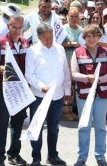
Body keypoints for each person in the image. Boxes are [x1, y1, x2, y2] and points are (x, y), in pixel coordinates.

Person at [25, 23, 72, 166]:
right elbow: (29, 75)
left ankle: (52, 156)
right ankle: (36, 158)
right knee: (37, 128)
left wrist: (67, 91)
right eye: (45, 38)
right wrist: (41, 86)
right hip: (39, 97)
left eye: (51, 37)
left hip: (57, 96)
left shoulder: (60, 48)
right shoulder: (32, 51)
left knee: (54, 128)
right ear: (39, 37)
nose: (49, 40)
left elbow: (65, 72)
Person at [71, 24, 107, 166]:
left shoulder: (106, 51)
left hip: (102, 95)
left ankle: (100, 157)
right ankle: (81, 158)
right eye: (88, 36)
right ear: (84, 38)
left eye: (94, 36)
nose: (91, 39)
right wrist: (86, 77)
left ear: (99, 37)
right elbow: (74, 74)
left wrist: (99, 79)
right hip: (84, 95)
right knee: (83, 126)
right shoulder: (77, 52)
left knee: (100, 126)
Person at [0, 15, 29, 166]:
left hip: (20, 90)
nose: (17, 30)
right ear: (8, 27)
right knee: (2, 123)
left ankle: (14, 154)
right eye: (14, 27)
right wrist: (0, 68)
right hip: (2, 89)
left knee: (18, 123)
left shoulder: (25, 43)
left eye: (20, 27)